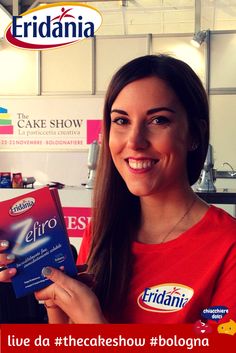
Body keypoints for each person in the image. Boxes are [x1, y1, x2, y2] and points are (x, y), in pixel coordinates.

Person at [0, 55, 236, 324]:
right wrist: (54, 298)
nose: (134, 142)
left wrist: (94, 324)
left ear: (194, 134)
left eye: (158, 120)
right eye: (121, 121)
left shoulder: (228, 247)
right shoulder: (101, 229)